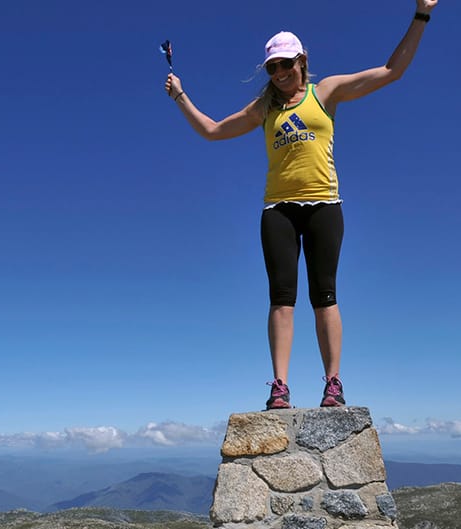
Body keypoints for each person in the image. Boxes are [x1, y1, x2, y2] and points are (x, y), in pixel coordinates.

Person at [164, 0, 439, 410]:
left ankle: (333, 383)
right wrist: (180, 96)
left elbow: (391, 71)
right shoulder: (264, 109)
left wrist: (422, 15)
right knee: (281, 298)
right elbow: (213, 130)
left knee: (325, 295)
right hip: (278, 210)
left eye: (286, 64)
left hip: (324, 204)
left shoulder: (325, 92)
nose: (279, 73)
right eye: (272, 67)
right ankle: (279, 386)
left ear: (302, 61)